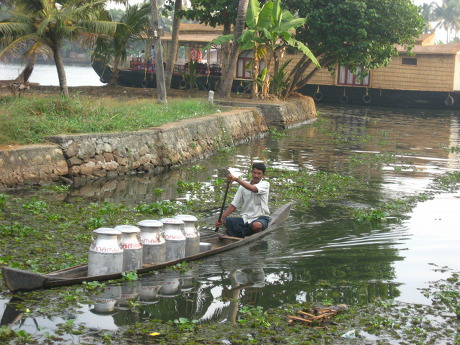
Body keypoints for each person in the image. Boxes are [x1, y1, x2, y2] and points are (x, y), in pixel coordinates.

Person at [215, 162, 270, 238]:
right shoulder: (242, 187)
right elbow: (234, 205)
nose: (256, 175)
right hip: (245, 219)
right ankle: (246, 231)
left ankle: (254, 235)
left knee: (257, 226)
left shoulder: (265, 184)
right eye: (254, 173)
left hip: (260, 218)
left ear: (263, 175)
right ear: (251, 173)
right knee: (225, 221)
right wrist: (221, 218)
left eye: (259, 173)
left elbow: (253, 189)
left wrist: (237, 179)